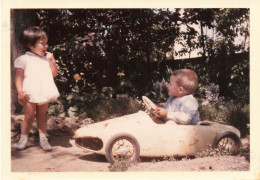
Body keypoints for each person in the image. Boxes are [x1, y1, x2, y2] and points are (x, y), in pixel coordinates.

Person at [14, 26, 60, 151]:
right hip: (29, 93)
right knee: (28, 116)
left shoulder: (46, 59)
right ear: (30, 44)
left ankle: (43, 139)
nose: (45, 46)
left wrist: (53, 61)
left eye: (46, 43)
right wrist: (20, 92)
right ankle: (23, 138)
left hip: (43, 92)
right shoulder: (23, 59)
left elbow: (54, 74)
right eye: (42, 44)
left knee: (41, 116)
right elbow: (18, 77)